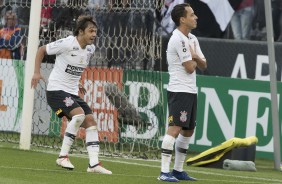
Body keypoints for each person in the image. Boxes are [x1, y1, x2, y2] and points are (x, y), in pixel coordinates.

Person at [30, 15, 112, 174]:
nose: (94, 34)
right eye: (90, 31)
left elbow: (76, 67)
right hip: (55, 92)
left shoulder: (90, 49)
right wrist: (36, 73)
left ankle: (94, 164)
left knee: (90, 121)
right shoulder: (67, 43)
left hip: (71, 93)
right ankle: (62, 156)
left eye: (95, 31)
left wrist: (79, 81)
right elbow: (42, 50)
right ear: (80, 32)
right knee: (80, 116)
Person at [157, 3, 207, 182]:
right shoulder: (177, 38)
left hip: (190, 90)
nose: (196, 17)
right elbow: (190, 68)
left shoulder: (192, 38)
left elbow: (204, 64)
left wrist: (195, 57)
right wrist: (194, 57)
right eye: (192, 15)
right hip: (179, 90)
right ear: (182, 19)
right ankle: (164, 172)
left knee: (188, 131)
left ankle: (178, 170)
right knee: (175, 128)